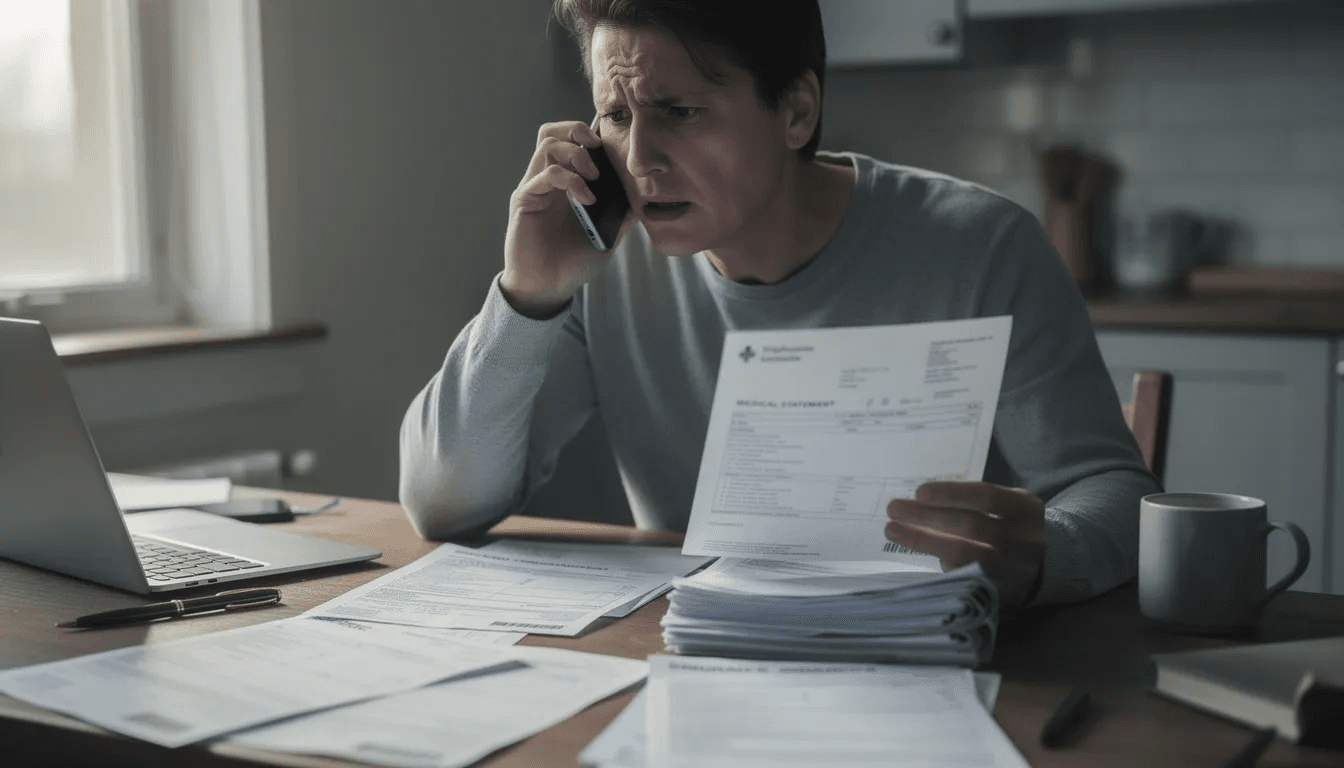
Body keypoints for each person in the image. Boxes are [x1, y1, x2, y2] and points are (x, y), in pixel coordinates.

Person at [399, 0, 1160, 607]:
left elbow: (1120, 495)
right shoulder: (602, 264)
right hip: (696, 666)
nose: (639, 161)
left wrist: (1042, 554)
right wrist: (526, 296)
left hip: (943, 664)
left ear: (796, 112)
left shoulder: (984, 248)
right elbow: (441, 504)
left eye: (680, 112)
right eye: (618, 115)